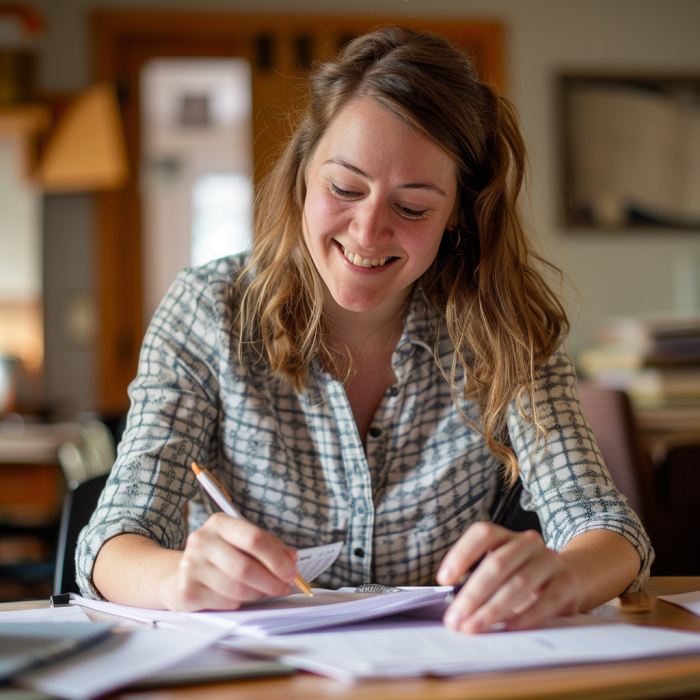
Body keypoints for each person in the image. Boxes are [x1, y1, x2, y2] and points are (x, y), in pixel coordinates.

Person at [77, 26, 653, 635]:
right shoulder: (209, 310)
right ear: (303, 174)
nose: (368, 232)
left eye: (412, 207)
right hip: (253, 671)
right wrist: (176, 578)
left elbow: (607, 529)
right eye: (344, 188)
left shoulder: (502, 327)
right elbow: (112, 542)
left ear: (458, 211)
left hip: (443, 667)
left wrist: (566, 575)